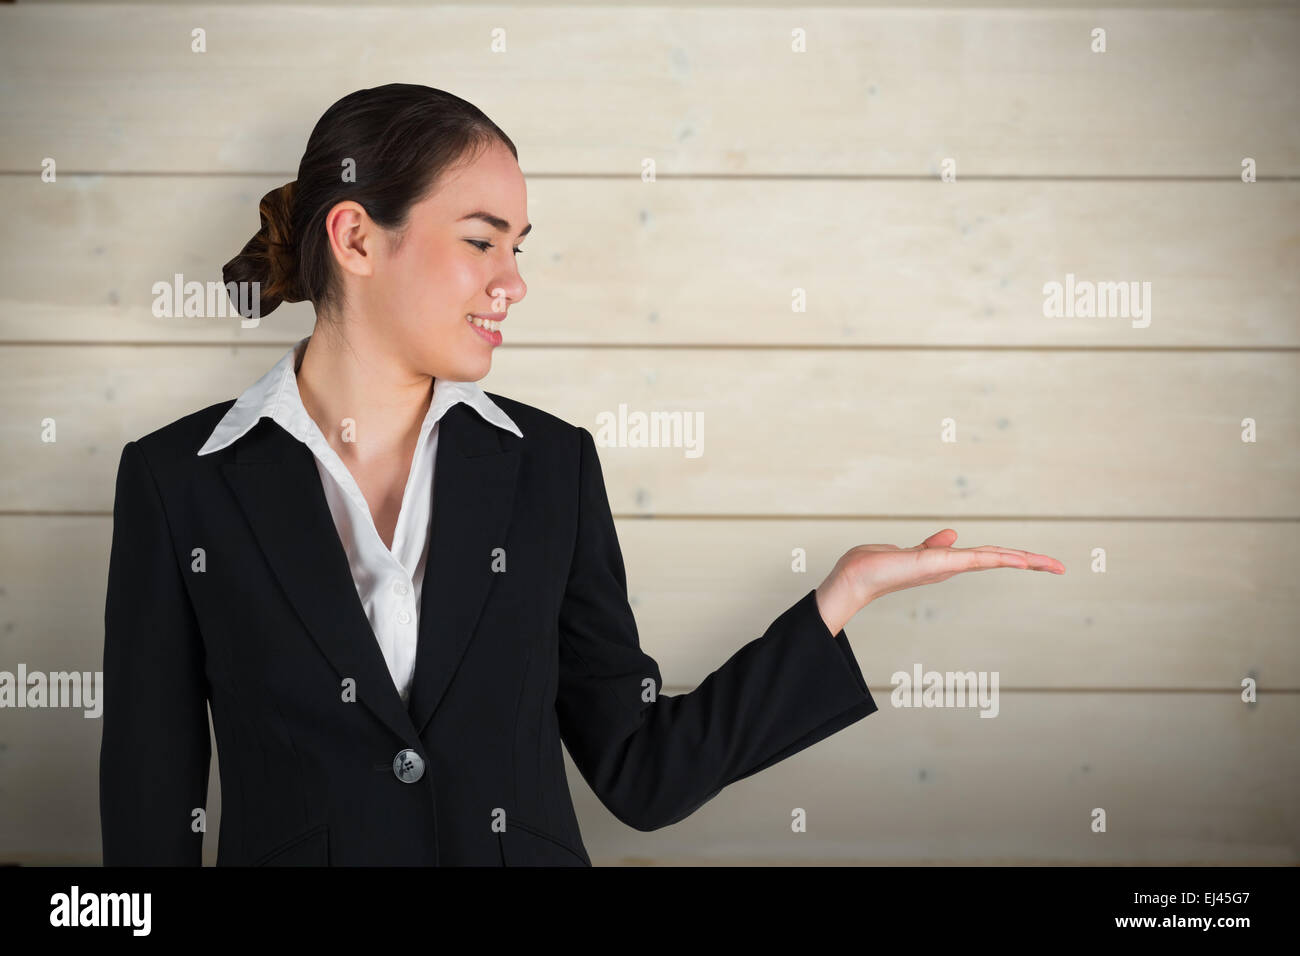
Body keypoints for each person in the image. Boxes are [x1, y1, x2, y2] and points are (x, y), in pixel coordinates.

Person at [99, 84, 1064, 867]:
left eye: (518, 249)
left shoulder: (550, 467)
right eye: (482, 240)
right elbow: (150, 816)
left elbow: (641, 770)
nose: (512, 281)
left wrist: (838, 599)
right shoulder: (179, 483)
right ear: (356, 239)